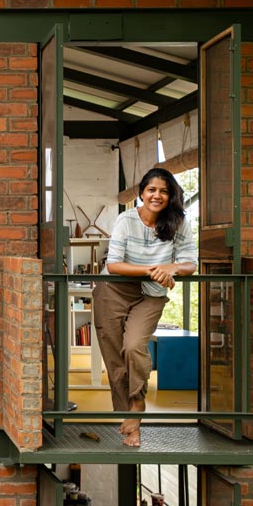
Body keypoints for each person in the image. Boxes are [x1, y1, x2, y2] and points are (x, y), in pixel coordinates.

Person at [92, 167, 197, 447]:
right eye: (151, 190)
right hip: (114, 290)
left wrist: (171, 267)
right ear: (141, 193)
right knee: (115, 362)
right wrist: (152, 270)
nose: (157, 195)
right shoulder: (126, 220)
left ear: (170, 195)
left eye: (163, 191)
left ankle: (136, 409)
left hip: (151, 294)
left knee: (135, 346)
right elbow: (113, 265)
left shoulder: (179, 223)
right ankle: (129, 424)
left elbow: (190, 262)